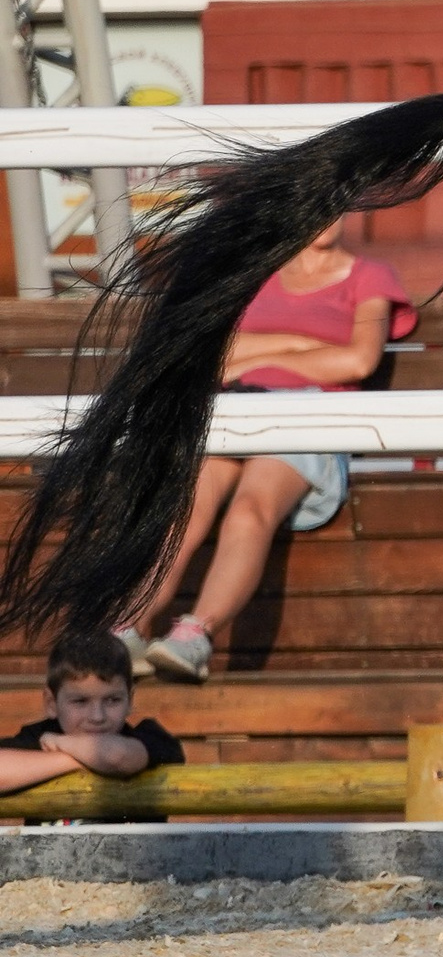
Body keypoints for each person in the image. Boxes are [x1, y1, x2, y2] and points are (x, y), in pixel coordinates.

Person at [122, 218, 413, 683]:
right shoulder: (255, 274)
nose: (326, 213)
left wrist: (258, 357)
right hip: (234, 406)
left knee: (250, 509)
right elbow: (214, 357)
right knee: (186, 510)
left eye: (338, 200)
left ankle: (195, 634)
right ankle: (128, 626)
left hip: (308, 414)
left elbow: (359, 359)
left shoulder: (370, 277)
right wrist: (299, 346)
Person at [0, 630, 185, 799]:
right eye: (80, 701)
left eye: (113, 700)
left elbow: (117, 757)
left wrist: (61, 744)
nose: (97, 717)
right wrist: (79, 760)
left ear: (130, 699)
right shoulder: (37, 737)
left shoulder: (149, 736)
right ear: (51, 703)